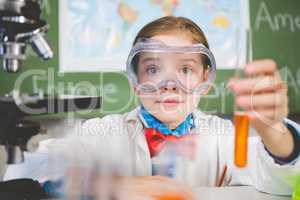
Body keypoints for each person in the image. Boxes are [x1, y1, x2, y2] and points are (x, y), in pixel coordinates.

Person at [4, 16, 300, 199]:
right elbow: (25, 171)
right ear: (135, 81)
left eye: (185, 69)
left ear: (205, 81)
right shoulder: (101, 132)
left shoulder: (225, 136)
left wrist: (275, 133)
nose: (169, 84)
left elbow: (284, 182)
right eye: (154, 69)